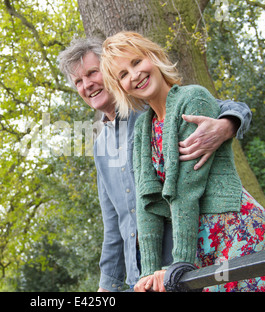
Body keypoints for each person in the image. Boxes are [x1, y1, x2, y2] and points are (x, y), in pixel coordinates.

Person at [100, 31, 265, 292]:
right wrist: (147, 274)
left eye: (136, 62)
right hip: (202, 246)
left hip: (236, 230)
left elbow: (185, 188)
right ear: (119, 87)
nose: (134, 75)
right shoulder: (143, 130)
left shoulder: (193, 99)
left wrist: (179, 263)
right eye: (123, 74)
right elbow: (146, 205)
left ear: (154, 57)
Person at [57, 37, 253, 291]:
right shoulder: (100, 145)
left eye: (92, 73)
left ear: (107, 72)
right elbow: (114, 222)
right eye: (78, 82)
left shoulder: (151, 107)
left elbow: (231, 108)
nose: (87, 85)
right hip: (140, 271)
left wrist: (226, 125)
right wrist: (108, 284)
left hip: (184, 256)